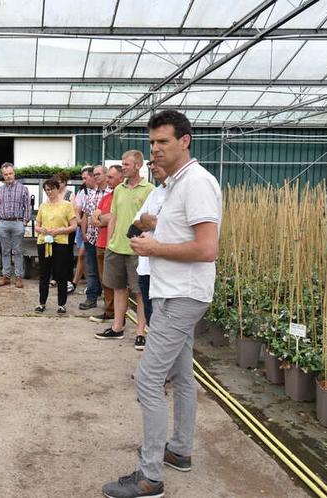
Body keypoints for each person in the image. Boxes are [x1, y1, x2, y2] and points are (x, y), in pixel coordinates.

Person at [101, 111, 222, 498]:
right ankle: (180, 450)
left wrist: (155, 247)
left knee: (148, 379)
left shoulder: (198, 183)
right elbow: (183, 231)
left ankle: (149, 476)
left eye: (163, 142)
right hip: (170, 291)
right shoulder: (172, 186)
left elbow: (207, 248)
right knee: (183, 376)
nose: (156, 149)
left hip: (183, 295)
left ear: (185, 140)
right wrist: (156, 226)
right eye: (152, 143)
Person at [95, 150, 153, 348]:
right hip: (116, 247)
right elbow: (114, 217)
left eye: (127, 164)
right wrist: (111, 240)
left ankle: (140, 332)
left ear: (138, 165)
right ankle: (117, 327)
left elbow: (150, 221)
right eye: (123, 163)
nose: (123, 167)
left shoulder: (149, 189)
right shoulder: (119, 189)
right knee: (119, 289)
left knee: (139, 292)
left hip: (136, 249)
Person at [132, 159, 168, 329]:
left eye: (156, 161)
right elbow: (137, 221)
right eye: (150, 163)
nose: (152, 166)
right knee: (150, 316)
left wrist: (150, 221)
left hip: (165, 269)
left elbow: (176, 227)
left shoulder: (180, 192)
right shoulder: (155, 193)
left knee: (164, 322)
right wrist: (149, 220)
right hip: (146, 267)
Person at [34, 178, 77, 314]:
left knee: (61, 274)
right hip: (44, 242)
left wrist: (59, 230)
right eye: (46, 190)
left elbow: (74, 226)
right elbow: (37, 225)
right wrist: (42, 230)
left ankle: (61, 304)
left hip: (60, 242)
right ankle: (42, 302)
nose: (49, 192)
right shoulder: (43, 206)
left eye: (51, 189)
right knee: (43, 274)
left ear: (58, 188)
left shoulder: (67, 205)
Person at [88, 164, 123, 325]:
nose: (107, 180)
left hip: (115, 243)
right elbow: (94, 219)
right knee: (105, 280)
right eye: (107, 176)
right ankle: (109, 311)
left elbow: (114, 218)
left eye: (110, 177)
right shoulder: (105, 198)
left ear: (121, 178)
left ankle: (116, 313)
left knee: (115, 282)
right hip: (100, 242)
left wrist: (104, 219)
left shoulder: (120, 196)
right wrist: (103, 219)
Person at [79, 165, 112, 312]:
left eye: (98, 174)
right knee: (92, 269)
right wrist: (84, 233)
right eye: (94, 174)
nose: (96, 176)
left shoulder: (113, 193)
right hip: (92, 237)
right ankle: (91, 297)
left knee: (107, 272)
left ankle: (108, 300)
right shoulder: (91, 194)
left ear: (106, 175)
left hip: (107, 238)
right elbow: (85, 214)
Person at [0, 162, 31, 288]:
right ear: (3, 176)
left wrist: (24, 222)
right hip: (3, 223)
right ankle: (6, 276)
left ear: (14, 173)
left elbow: (27, 207)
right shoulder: (0, 190)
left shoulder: (23, 189)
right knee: (5, 251)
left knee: (18, 251)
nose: (8, 176)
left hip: (17, 223)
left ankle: (19, 277)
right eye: (5, 174)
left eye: (10, 173)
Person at [71, 166, 95, 294]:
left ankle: (79, 283)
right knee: (84, 256)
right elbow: (79, 209)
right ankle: (83, 283)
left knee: (85, 256)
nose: (83, 181)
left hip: (94, 229)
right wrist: (80, 221)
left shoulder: (101, 191)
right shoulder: (83, 192)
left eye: (85, 178)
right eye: (83, 178)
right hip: (83, 229)